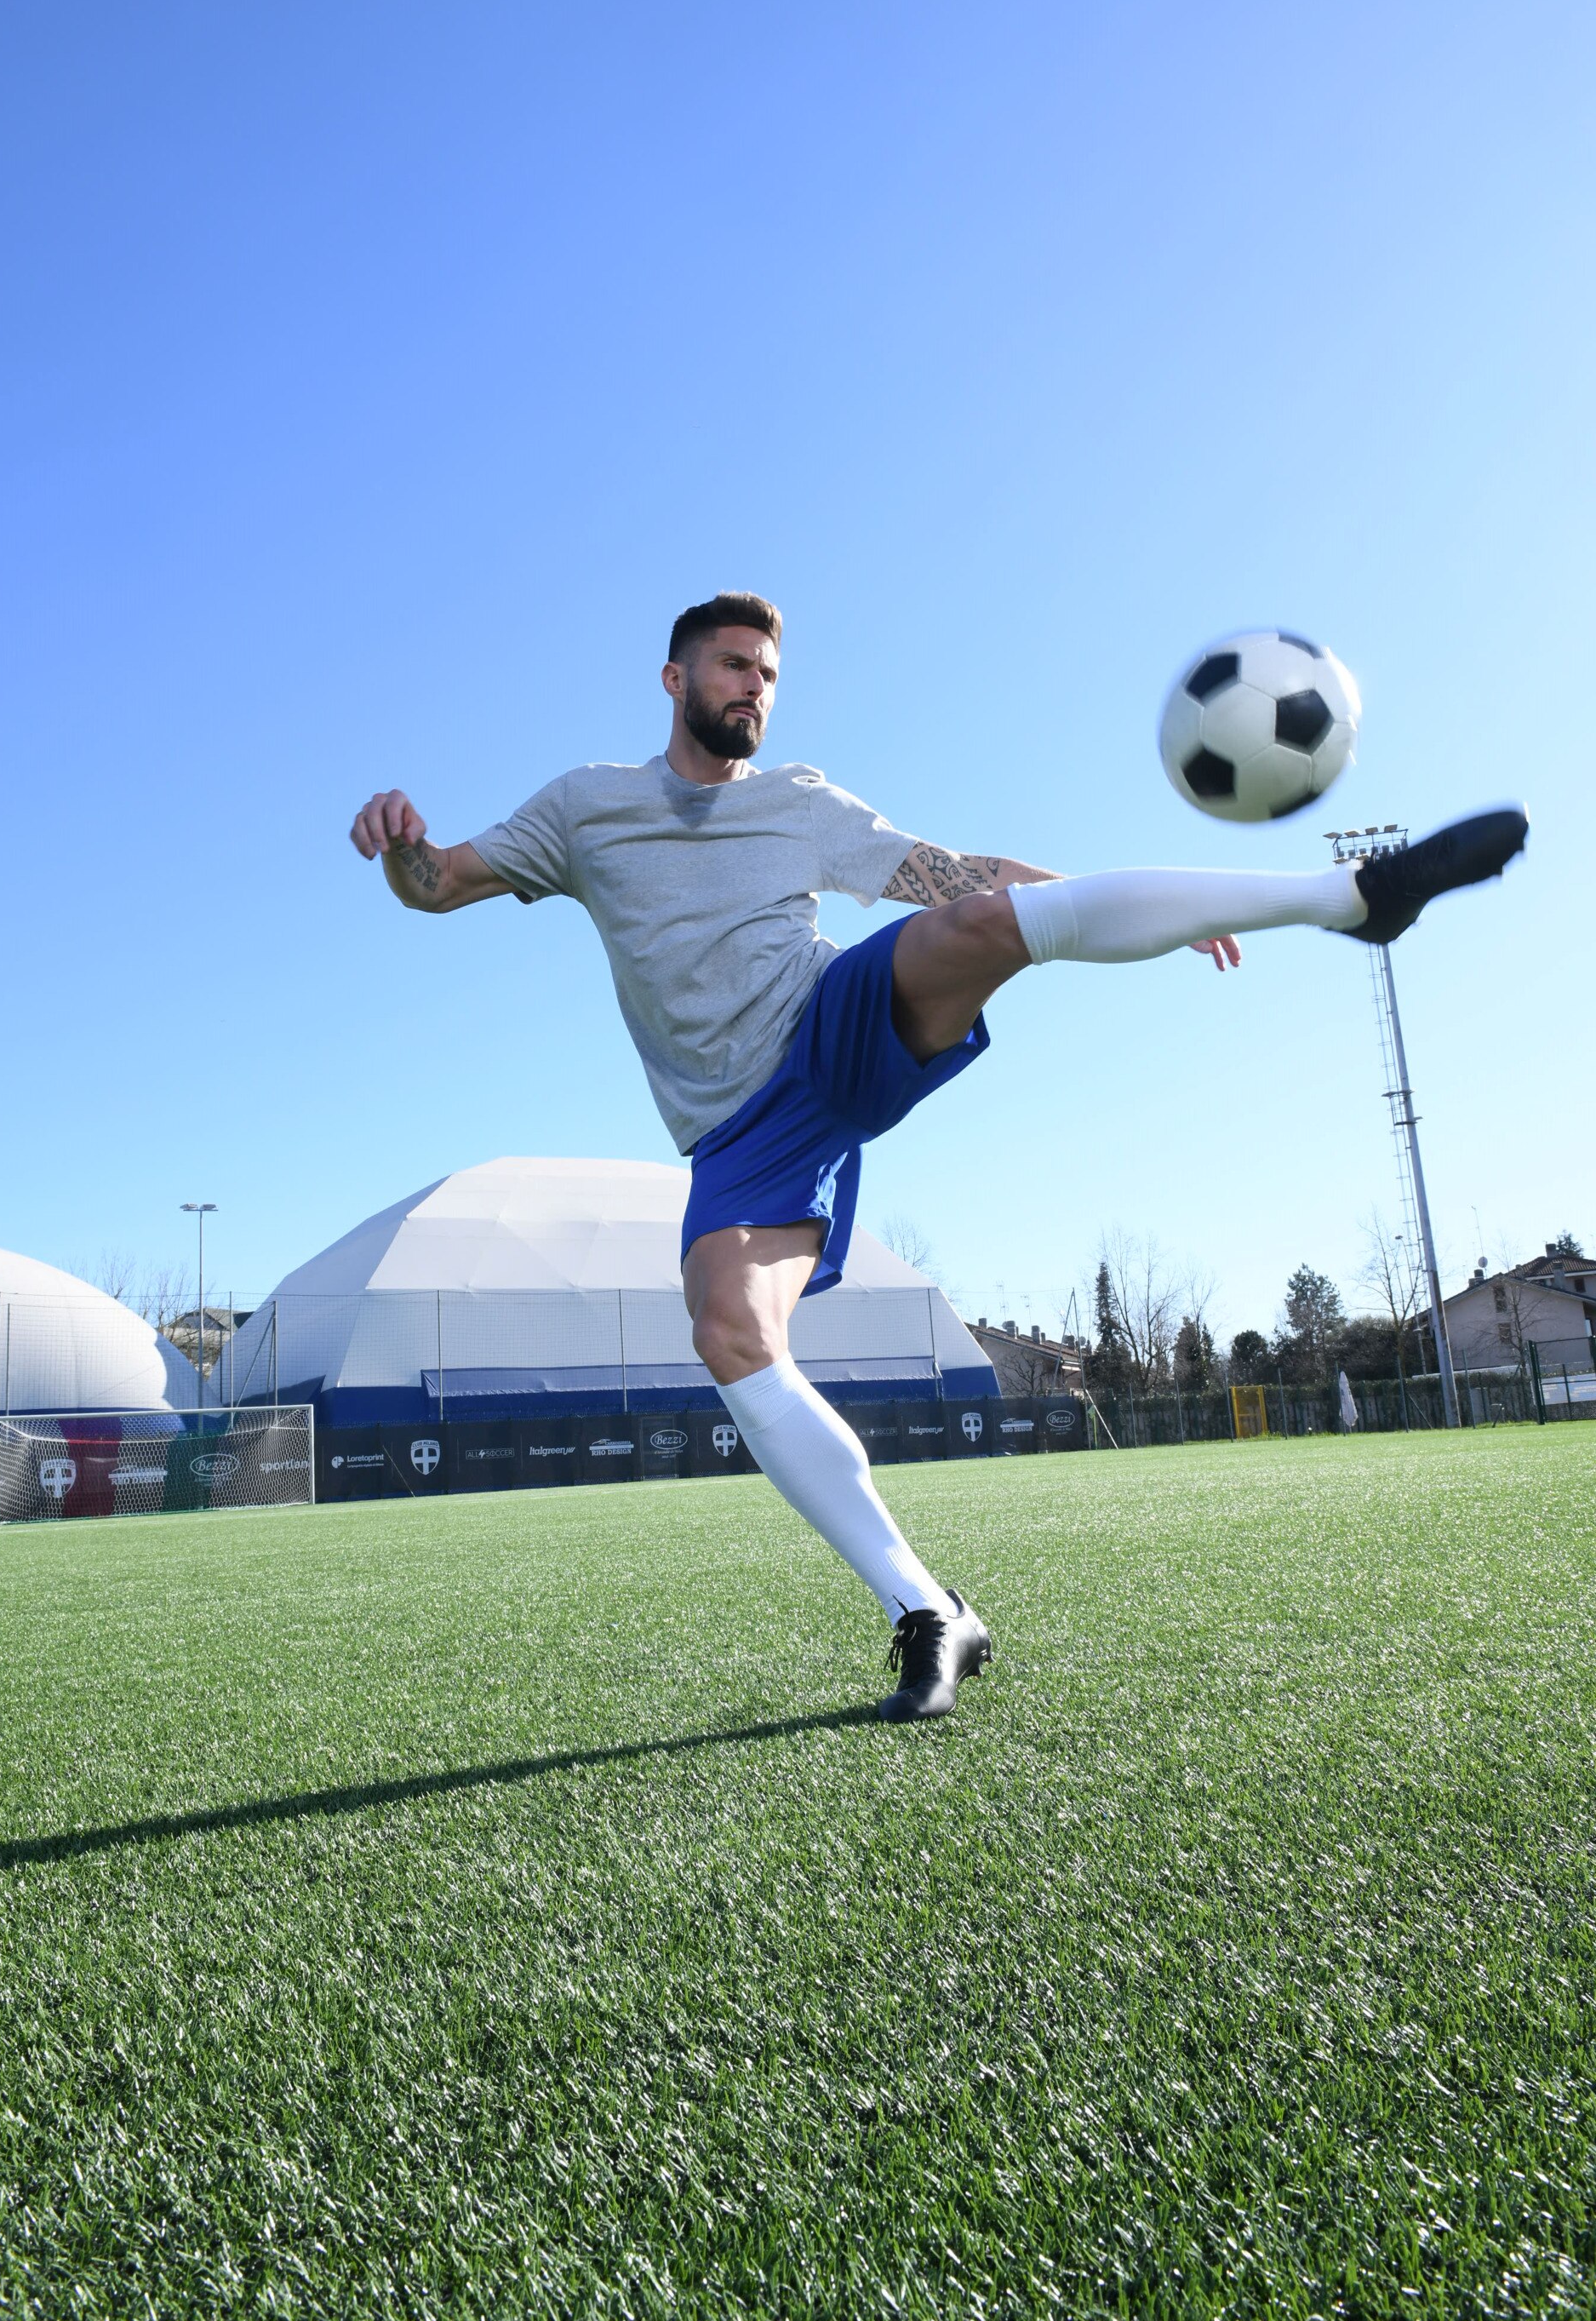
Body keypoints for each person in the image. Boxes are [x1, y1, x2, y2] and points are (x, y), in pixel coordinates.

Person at [351, 592, 1526, 1723]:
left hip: (833, 1025)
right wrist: (403, 845)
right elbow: (440, 884)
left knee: (970, 923)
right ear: (675, 679)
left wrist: (1145, 912)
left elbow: (957, 875)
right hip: (739, 1131)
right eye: (732, 668)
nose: (753, 689)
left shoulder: (798, 801)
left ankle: (1351, 898)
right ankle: (927, 1608)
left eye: (767, 675)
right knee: (726, 1329)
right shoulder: (587, 808)